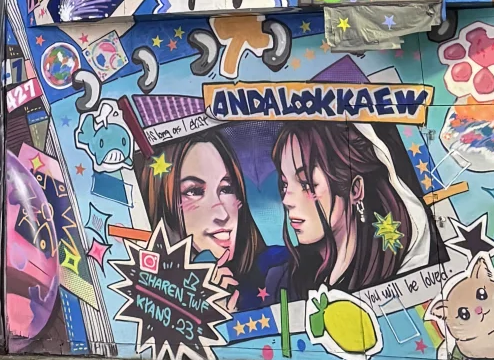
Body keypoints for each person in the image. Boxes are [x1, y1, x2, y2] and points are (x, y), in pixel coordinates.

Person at [265, 120, 441, 302]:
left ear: (355, 190)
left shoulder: (398, 275)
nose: (286, 200)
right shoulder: (281, 282)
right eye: (285, 184)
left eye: (306, 184)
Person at [137, 129, 284, 311]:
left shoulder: (278, 269)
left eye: (226, 189)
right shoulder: (152, 298)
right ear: (162, 202)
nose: (223, 215)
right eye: (194, 191)